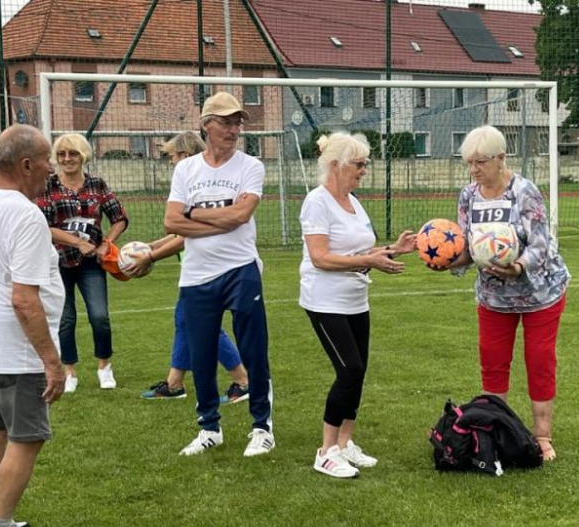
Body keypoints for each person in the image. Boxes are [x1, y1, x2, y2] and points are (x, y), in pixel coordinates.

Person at [0, 124, 65, 527]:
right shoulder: (26, 215)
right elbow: (24, 298)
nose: (50, 170)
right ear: (26, 165)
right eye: (46, 160)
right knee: (27, 437)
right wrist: (52, 361)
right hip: (12, 346)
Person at [448, 125, 570, 461]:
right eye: (469, 163)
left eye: (480, 162)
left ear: (502, 159)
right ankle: (496, 432)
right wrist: (447, 260)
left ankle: (542, 436)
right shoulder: (468, 196)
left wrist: (517, 266)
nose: (474, 170)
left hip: (540, 294)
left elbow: (542, 243)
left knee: (539, 360)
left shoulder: (524, 192)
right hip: (494, 298)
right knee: (492, 362)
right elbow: (468, 247)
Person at [164, 91, 274, 457]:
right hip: (197, 276)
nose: (233, 129)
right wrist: (217, 219)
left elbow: (240, 217)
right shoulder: (186, 169)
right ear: (206, 125)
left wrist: (192, 214)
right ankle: (209, 427)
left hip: (240, 268)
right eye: (225, 122)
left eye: (237, 122)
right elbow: (170, 220)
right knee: (201, 355)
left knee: (254, 351)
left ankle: (262, 427)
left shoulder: (250, 166)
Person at [299, 132, 416, 479]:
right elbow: (320, 258)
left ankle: (346, 443)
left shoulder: (353, 200)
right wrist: (370, 259)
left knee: (359, 370)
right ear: (335, 165)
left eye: (366, 163)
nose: (365, 170)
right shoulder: (317, 202)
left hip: (355, 299)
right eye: (359, 163)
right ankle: (326, 451)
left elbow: (360, 252)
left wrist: (393, 250)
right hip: (325, 300)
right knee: (348, 369)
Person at [126, 132, 249, 402]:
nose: (171, 162)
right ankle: (175, 383)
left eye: (172, 156)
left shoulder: (202, 185)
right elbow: (178, 233)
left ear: (186, 154)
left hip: (212, 270)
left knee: (204, 325)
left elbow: (185, 237)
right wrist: (151, 245)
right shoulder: (190, 181)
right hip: (196, 272)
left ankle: (242, 380)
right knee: (185, 322)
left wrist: (151, 257)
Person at [37, 133, 128, 393]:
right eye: (62, 154)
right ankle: (69, 371)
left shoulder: (97, 185)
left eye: (73, 153)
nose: (67, 159)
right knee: (65, 319)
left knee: (100, 316)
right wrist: (77, 242)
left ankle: (104, 366)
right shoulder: (48, 186)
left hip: (92, 264)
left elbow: (119, 217)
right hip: (57, 262)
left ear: (83, 156)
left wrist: (106, 243)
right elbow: (44, 226)